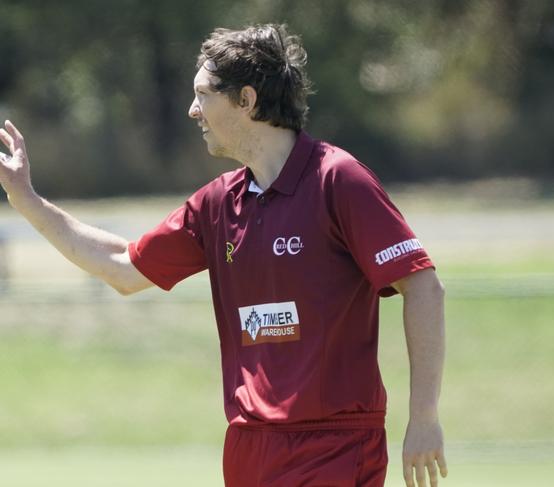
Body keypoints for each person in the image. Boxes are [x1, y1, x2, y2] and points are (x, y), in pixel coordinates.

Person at [0, 23, 447, 487]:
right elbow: (124, 269)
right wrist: (27, 201)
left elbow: (423, 287)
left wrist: (424, 417)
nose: (193, 110)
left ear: (246, 101)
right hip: (248, 448)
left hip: (331, 448)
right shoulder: (217, 204)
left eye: (203, 94)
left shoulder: (339, 180)